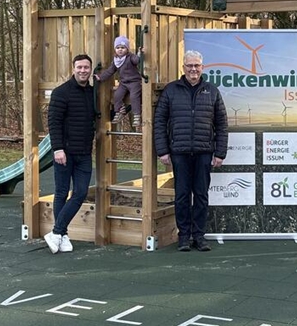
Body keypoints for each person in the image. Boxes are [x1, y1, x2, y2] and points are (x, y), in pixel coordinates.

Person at [154, 50, 228, 252]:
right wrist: (162, 150)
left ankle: (199, 236)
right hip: (179, 152)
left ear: (202, 68)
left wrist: (220, 152)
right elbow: (159, 122)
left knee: (202, 195)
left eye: (197, 65)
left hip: (204, 152)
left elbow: (221, 124)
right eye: (189, 65)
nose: (193, 69)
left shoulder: (211, 91)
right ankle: (184, 236)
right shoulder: (171, 90)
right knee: (182, 195)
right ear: (183, 68)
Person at [44, 53, 97, 254]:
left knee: (81, 192)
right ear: (73, 69)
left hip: (84, 152)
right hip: (64, 152)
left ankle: (57, 233)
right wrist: (57, 149)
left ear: (90, 70)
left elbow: (101, 115)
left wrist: (124, 107)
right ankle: (63, 235)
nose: (83, 71)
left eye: (86, 67)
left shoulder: (92, 93)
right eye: (79, 67)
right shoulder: (61, 92)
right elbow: (54, 123)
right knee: (61, 192)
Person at [96, 35, 144, 129]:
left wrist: (139, 54)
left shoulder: (130, 57)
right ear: (115, 49)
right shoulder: (116, 60)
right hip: (124, 83)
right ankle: (119, 111)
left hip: (134, 82)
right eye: (118, 48)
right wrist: (100, 77)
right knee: (117, 95)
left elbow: (137, 60)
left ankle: (137, 115)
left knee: (134, 96)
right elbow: (110, 71)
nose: (120, 50)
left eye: (123, 47)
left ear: (127, 49)